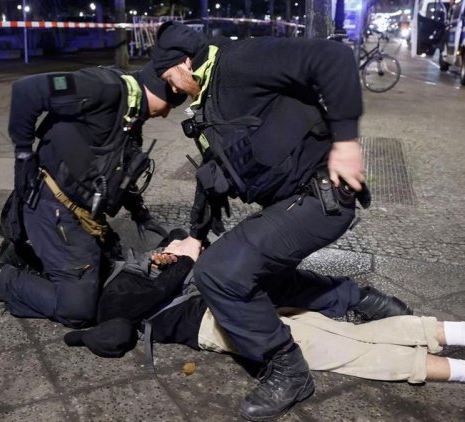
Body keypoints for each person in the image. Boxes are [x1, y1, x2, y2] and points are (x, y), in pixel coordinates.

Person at [150, 21, 369, 420]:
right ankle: (363, 300)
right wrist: (195, 236)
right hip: (292, 202)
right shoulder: (209, 99)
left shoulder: (240, 60)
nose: (173, 90)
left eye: (170, 78)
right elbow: (210, 176)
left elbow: (333, 56)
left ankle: (287, 367)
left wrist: (347, 142)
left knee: (218, 274)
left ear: (184, 63)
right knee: (256, 278)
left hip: (321, 196)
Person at [67, 236, 465, 401]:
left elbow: (117, 333)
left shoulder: (125, 282)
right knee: (351, 339)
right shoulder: (130, 281)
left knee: (352, 354)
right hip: (231, 307)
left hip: (222, 320)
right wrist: (184, 255)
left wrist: (78, 336)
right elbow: (119, 331)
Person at [0, 63, 187, 328]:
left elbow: (119, 170)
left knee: (106, 269)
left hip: (79, 214)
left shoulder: (132, 115)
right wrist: (23, 155)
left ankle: (23, 254)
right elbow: (27, 90)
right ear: (160, 87)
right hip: (53, 206)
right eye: (170, 104)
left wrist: (140, 214)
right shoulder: (103, 87)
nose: (167, 114)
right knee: (78, 309)